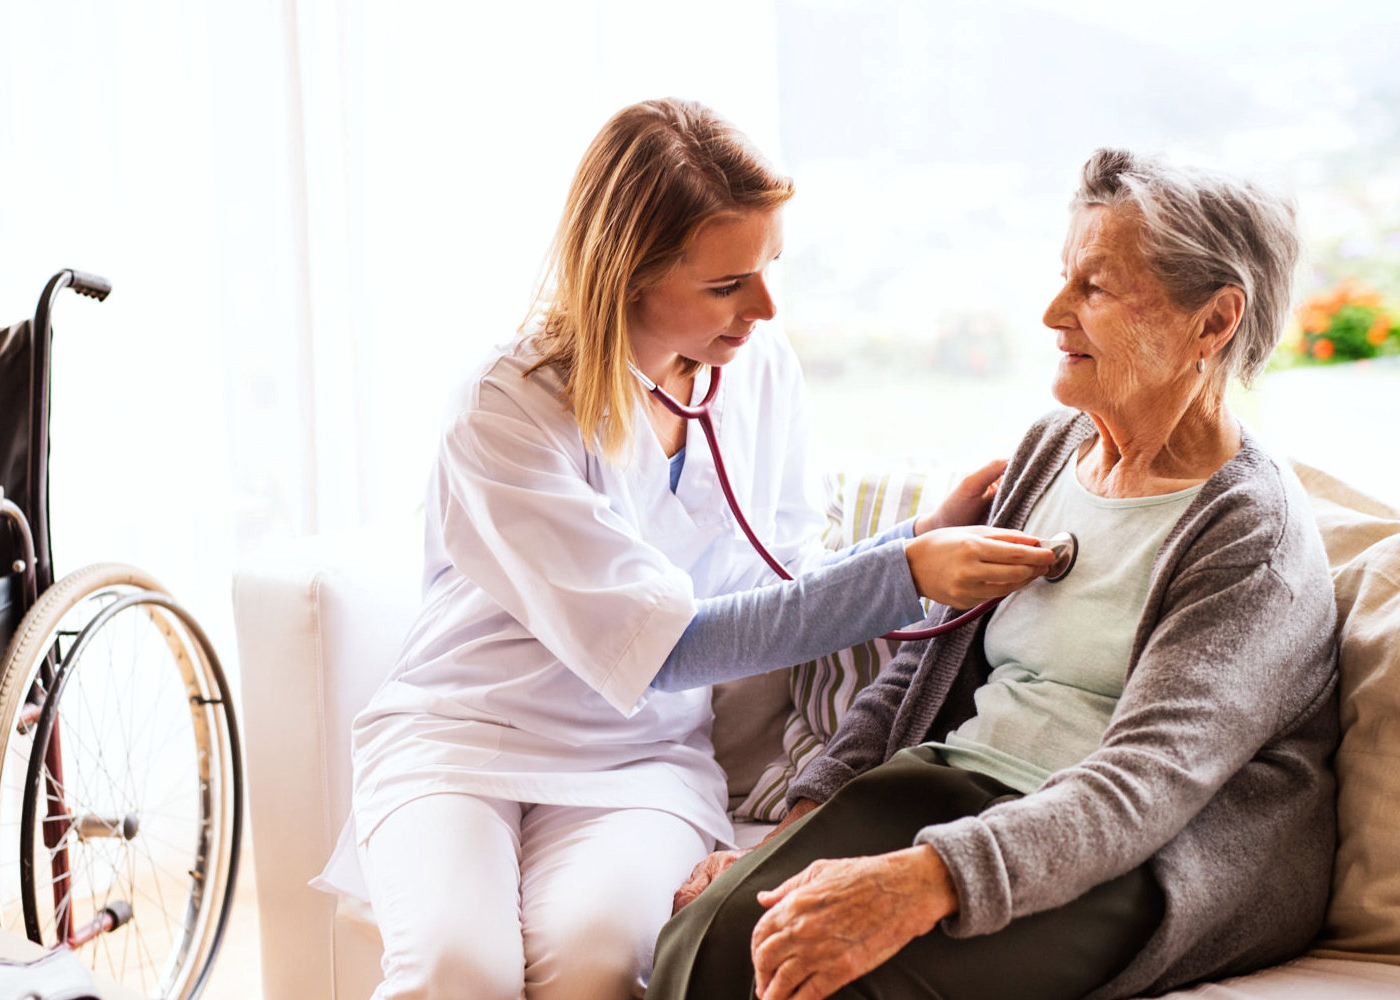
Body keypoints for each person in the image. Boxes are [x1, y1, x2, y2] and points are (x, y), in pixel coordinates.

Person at [312, 98, 1058, 1000]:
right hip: (463, 734)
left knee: (593, 966)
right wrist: (900, 575)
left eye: (769, 266)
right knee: (454, 970)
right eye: (726, 285)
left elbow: (778, 578)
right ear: (626, 276)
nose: (765, 307)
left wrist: (919, 534)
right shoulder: (506, 406)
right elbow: (673, 646)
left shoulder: (758, 371)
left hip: (639, 758)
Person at [654, 148, 1341, 1000]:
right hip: (958, 784)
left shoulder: (1249, 533)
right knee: (710, 929)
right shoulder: (1052, 450)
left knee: (823, 977)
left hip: (1141, 855)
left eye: (1094, 288)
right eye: (1064, 277)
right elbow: (922, 668)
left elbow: (1147, 782)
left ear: (1213, 321)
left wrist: (915, 882)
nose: (1054, 313)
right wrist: (798, 822)